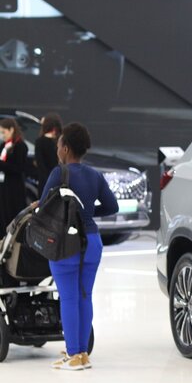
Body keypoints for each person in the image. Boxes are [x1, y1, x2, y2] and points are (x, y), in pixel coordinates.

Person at [38, 123, 119, 370]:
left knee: (68, 299)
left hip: (65, 243)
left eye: (59, 145)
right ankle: (82, 353)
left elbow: (43, 207)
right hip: (92, 241)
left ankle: (73, 354)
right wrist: (87, 214)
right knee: (85, 296)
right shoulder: (95, 175)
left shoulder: (58, 174)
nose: (57, 150)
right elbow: (112, 206)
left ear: (66, 149)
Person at [0, 118, 29, 232]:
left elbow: (19, 168)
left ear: (11, 130)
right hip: (3, 185)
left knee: (13, 214)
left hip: (14, 188)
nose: (2, 135)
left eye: (4, 132)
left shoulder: (20, 146)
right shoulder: (3, 146)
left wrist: (2, 165)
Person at [34, 112, 62, 197]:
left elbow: (40, 164)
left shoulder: (39, 142)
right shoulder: (61, 141)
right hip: (60, 180)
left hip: (45, 182)